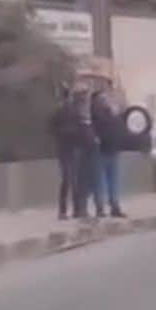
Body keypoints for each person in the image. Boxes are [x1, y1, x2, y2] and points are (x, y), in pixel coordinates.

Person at [49, 86, 93, 220]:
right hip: (73, 148)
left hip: (64, 149)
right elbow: (81, 129)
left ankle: (65, 211)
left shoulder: (59, 112)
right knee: (73, 180)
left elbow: (51, 128)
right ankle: (76, 210)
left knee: (68, 180)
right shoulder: (74, 112)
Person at [91, 88, 126, 218]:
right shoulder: (95, 114)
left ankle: (114, 205)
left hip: (113, 149)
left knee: (113, 180)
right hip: (101, 151)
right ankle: (100, 207)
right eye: (102, 98)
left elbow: (118, 128)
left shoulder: (111, 113)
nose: (105, 100)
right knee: (101, 181)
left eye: (105, 98)